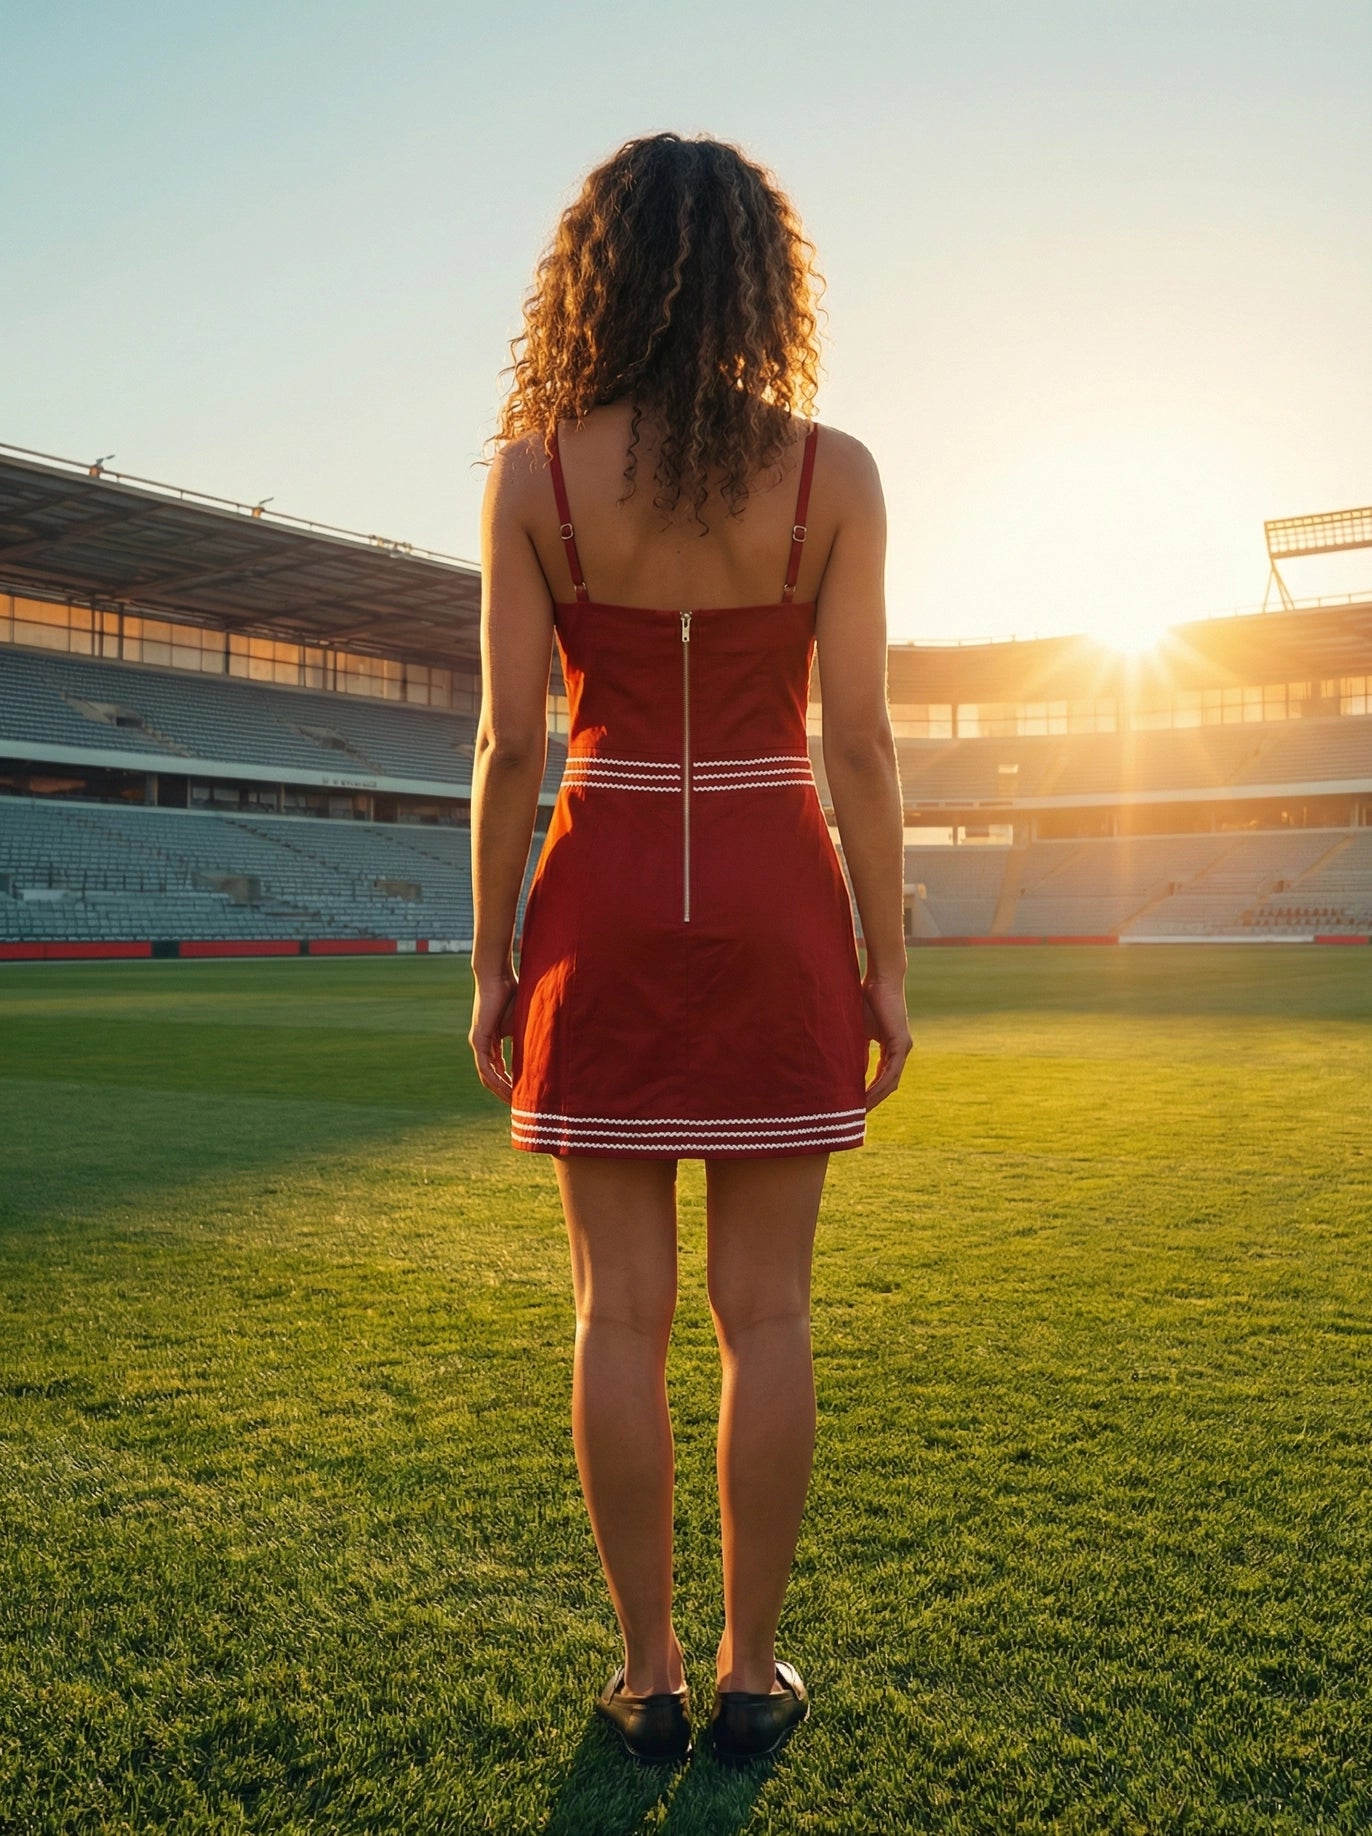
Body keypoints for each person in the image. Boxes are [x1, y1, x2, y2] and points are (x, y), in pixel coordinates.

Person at [468, 131, 910, 1767]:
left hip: (598, 900)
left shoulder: (531, 478)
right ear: (759, 279)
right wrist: (889, 963)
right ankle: (747, 1672)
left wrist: (493, 963)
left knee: (617, 1316)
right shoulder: (834, 474)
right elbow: (857, 744)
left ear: (594, 273)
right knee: (768, 1315)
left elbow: (515, 749)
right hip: (780, 896)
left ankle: (643, 1673)